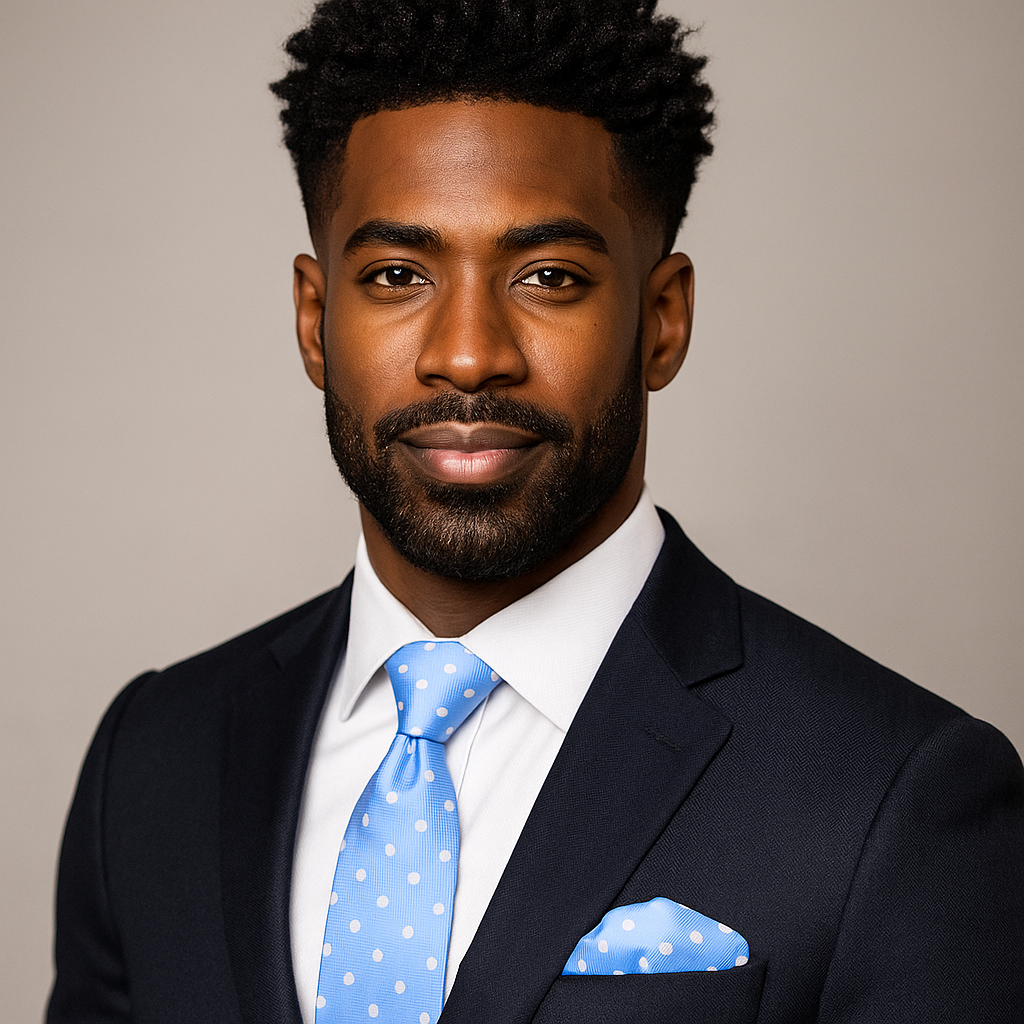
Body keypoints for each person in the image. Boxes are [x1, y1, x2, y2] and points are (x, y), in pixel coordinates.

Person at [48, 1, 1024, 1021]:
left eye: (549, 277)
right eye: (395, 276)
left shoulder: (895, 793)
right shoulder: (153, 757)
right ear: (314, 319)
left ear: (661, 319)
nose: (468, 353)